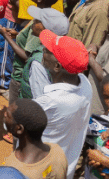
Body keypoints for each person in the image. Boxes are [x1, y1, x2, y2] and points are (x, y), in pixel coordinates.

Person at [33, 30, 93, 176]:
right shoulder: (85, 83)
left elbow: (12, 124)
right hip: (67, 168)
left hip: (43, 169)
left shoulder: (49, 101)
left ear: (57, 67)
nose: (43, 51)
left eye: (47, 50)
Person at [1, 99, 67, 179]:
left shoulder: (12, 169)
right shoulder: (57, 151)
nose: (4, 114)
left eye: (8, 115)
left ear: (19, 129)